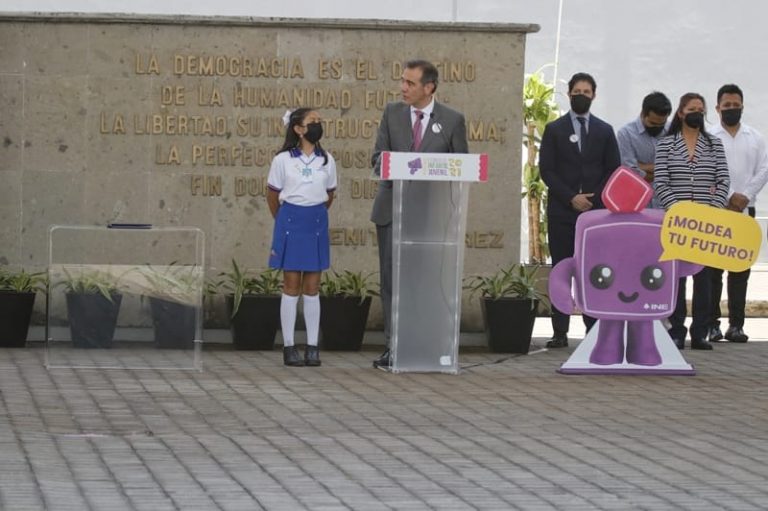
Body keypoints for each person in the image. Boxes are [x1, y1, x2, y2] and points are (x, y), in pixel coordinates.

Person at [369, 59, 469, 368]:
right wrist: (398, 169)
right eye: (402, 81)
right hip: (392, 210)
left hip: (431, 215)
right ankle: (393, 345)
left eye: (410, 83)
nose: (403, 88)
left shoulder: (451, 120)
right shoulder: (392, 114)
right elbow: (377, 159)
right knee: (392, 280)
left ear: (430, 87)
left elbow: (461, 166)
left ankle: (426, 344)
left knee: (424, 281)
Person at [539, 72, 621, 348]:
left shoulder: (604, 130)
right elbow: (547, 170)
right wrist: (571, 197)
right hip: (563, 212)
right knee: (562, 270)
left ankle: (593, 329)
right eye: (577, 91)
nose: (581, 95)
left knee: (593, 271)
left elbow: (613, 170)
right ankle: (559, 331)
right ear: (569, 94)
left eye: (586, 91)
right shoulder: (554, 129)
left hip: (595, 215)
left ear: (594, 95)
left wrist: (594, 198)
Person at [653, 92, 730, 350]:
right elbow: (661, 183)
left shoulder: (714, 145)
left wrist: (712, 208)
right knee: (677, 278)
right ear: (681, 113)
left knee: (704, 278)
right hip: (677, 223)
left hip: (705, 224)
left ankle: (700, 332)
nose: (697, 112)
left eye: (701, 108)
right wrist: (680, 210)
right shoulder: (665, 145)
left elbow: (723, 181)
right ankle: (676, 329)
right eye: (691, 108)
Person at [267, 108, 337, 367]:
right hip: (290, 221)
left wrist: (313, 215)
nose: (317, 125)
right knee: (291, 284)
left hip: (315, 222)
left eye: (319, 121)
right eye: (312, 122)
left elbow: (330, 194)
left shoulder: (327, 160)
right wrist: (284, 219)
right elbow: (272, 195)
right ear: (297, 128)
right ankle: (288, 346)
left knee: (312, 287)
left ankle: (312, 346)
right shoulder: (283, 160)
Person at [708, 84, 768, 343]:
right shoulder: (709, 136)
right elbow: (709, 170)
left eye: (736, 105)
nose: (732, 109)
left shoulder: (755, 137)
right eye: (727, 105)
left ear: (742, 106)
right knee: (712, 271)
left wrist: (745, 196)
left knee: (741, 269)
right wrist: (730, 194)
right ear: (718, 107)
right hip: (717, 210)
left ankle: (737, 325)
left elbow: (764, 169)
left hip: (745, 211)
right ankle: (711, 324)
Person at [617, 91, 672, 207]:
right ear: (643, 113)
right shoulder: (625, 134)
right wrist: (663, 170)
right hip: (638, 204)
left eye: (661, 124)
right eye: (652, 123)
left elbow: (677, 168)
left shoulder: (673, 131)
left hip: (666, 205)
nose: (657, 127)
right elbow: (630, 173)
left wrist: (642, 166)